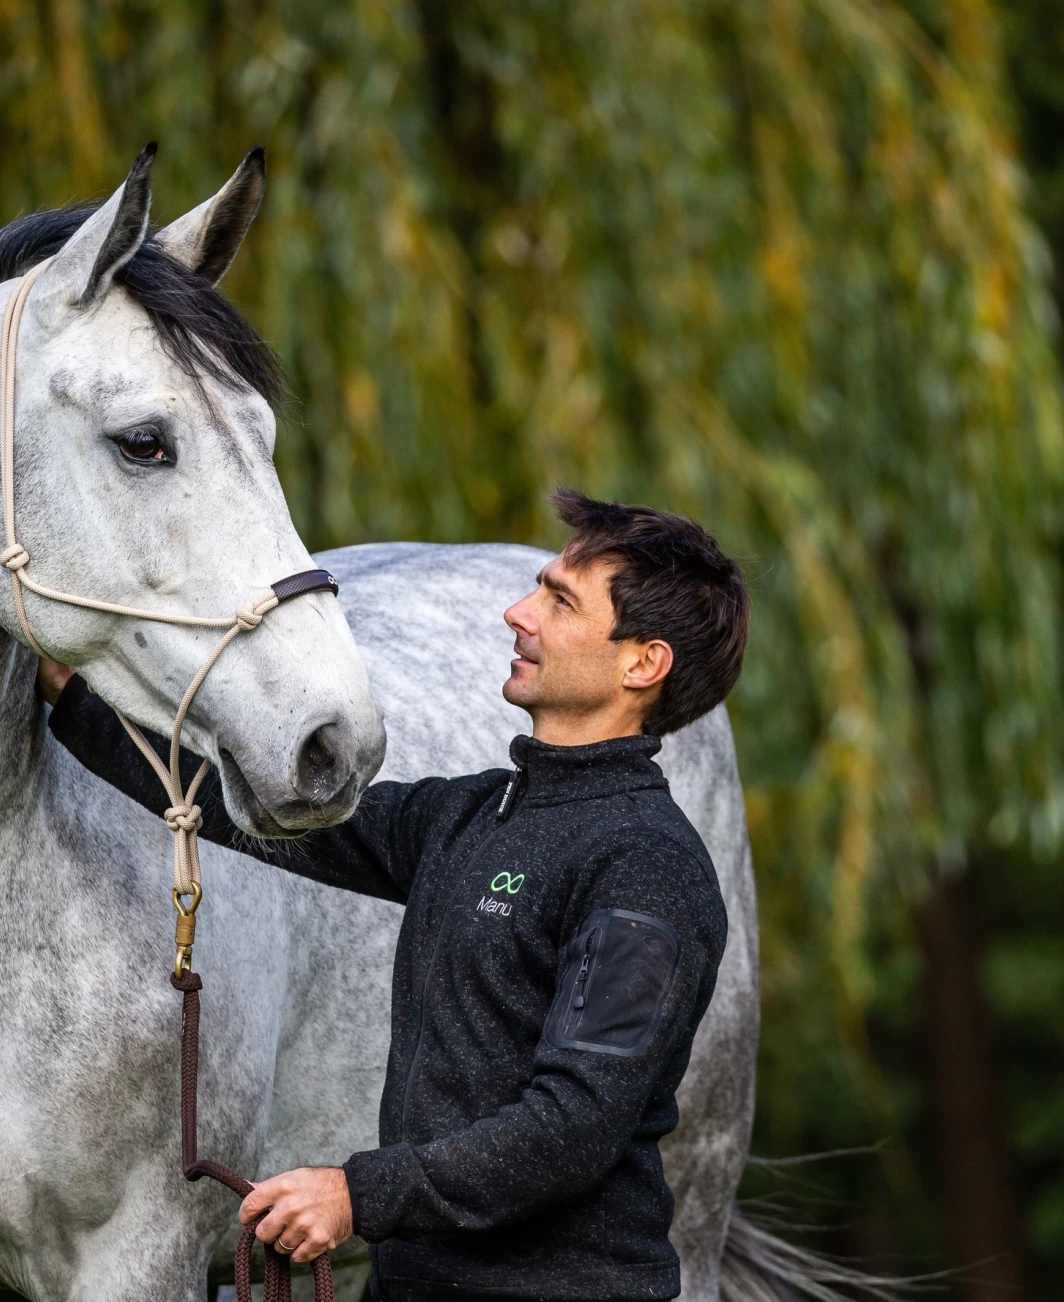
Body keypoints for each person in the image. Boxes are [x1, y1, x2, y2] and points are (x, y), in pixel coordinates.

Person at [39, 488, 750, 1302]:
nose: (518, 613)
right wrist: (80, 707)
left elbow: (572, 1128)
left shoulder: (647, 870)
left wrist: (354, 1196)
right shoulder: (475, 814)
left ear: (642, 663)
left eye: (559, 601)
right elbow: (276, 819)